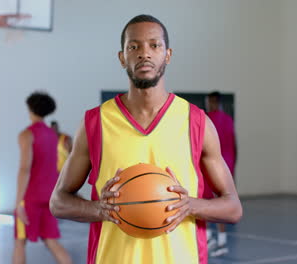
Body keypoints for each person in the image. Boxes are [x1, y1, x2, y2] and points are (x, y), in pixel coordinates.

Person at [50, 14, 242, 264]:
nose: (144, 53)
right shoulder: (95, 123)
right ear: (122, 57)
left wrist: (190, 205)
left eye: (154, 45)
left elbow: (233, 207)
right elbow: (58, 202)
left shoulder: (197, 123)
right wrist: (100, 209)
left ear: (168, 55)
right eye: (134, 46)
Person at [12, 92, 72, 264]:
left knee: (19, 243)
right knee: (51, 240)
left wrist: (18, 203)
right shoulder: (53, 135)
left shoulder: (27, 134)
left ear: (30, 109)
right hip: (49, 196)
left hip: (30, 196)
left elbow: (25, 169)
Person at [205, 91, 238, 257]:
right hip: (229, 167)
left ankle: (216, 240)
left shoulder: (207, 119)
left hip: (213, 167)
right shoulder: (229, 120)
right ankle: (216, 240)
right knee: (222, 201)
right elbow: (235, 143)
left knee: (210, 203)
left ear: (212, 101)